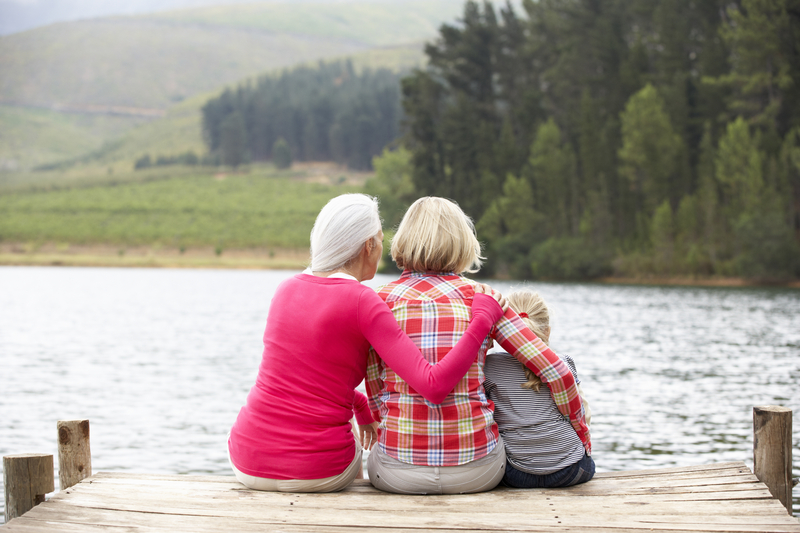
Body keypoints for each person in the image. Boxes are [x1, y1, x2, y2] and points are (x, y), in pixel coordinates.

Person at [227, 193, 506, 493]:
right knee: (356, 439)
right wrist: (482, 320)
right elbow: (433, 385)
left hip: (244, 460)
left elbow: (306, 382)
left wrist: (361, 408)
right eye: (380, 241)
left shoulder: (286, 289)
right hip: (315, 472)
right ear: (368, 245)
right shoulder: (363, 301)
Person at [365, 196, 590, 495]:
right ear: (462, 241)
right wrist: (581, 431)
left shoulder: (377, 301)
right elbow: (557, 373)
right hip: (478, 472)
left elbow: (375, 390)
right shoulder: (484, 298)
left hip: (398, 473)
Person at [483, 290, 595, 488]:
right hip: (571, 470)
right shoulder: (563, 364)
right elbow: (584, 415)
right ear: (547, 331)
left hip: (517, 473)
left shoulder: (489, 367)